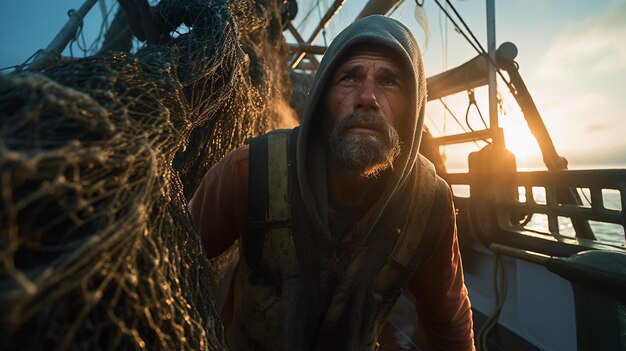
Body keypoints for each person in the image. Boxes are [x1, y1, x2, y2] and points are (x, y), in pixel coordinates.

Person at [190, 15, 474, 350]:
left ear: (413, 108)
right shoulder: (250, 170)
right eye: (349, 77)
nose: (367, 97)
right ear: (322, 99)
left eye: (390, 82)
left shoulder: (431, 204)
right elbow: (174, 260)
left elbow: (447, 320)